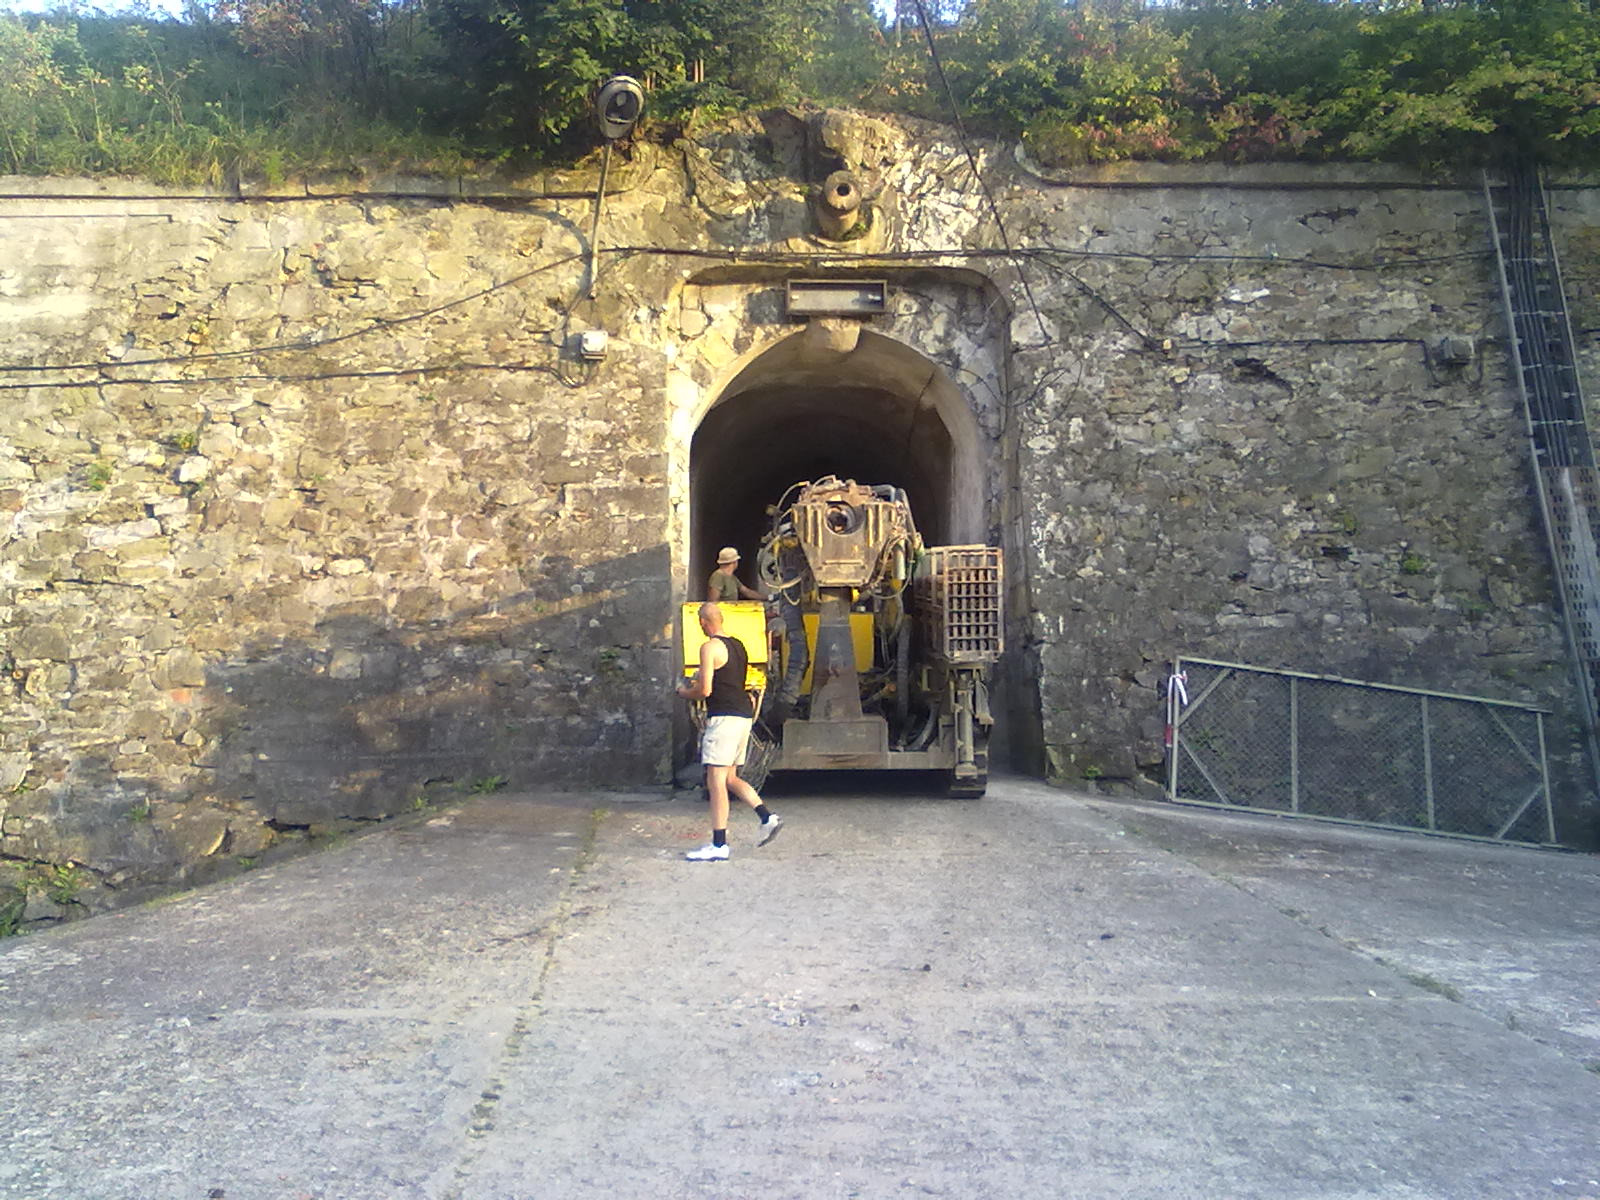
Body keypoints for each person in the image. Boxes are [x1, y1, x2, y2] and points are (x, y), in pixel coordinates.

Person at [675, 601, 782, 861]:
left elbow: (706, 691)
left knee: (715, 781)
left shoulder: (708, 647)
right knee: (731, 778)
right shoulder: (738, 646)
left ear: (702, 623)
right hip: (743, 716)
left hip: (723, 717)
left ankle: (719, 844)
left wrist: (683, 692)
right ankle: (768, 818)